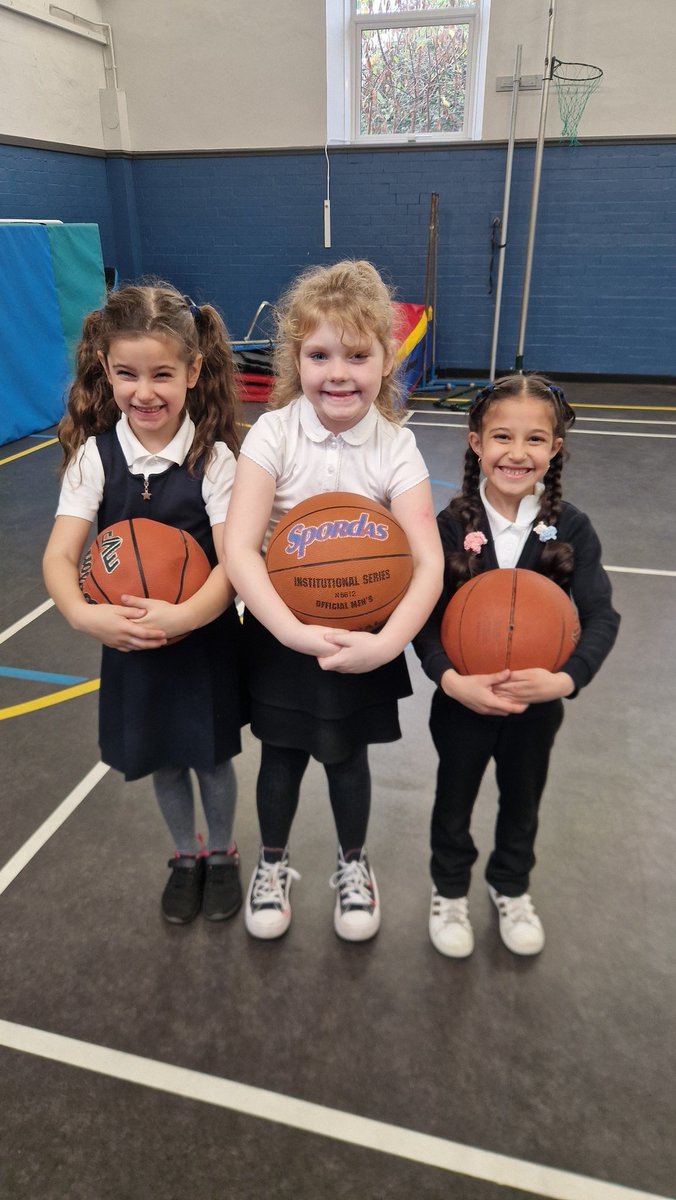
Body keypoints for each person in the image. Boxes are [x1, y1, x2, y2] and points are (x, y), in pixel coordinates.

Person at [224, 259, 443, 943]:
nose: (338, 372)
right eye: (320, 355)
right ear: (296, 360)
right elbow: (238, 548)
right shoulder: (274, 433)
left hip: (363, 631)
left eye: (357, 354)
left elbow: (427, 561)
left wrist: (385, 644)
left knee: (348, 758)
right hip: (280, 629)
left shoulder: (396, 447)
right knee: (281, 756)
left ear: (386, 359)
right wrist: (288, 630)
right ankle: (271, 862)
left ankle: (354, 866)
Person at [43, 283, 248, 926]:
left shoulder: (214, 459)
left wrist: (187, 616)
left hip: (203, 641)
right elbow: (57, 557)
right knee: (162, 760)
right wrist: (84, 614)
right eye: (127, 374)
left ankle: (222, 853)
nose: (145, 392)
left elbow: (234, 563)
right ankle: (184, 856)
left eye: (163, 374)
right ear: (105, 369)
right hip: (130, 641)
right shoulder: (95, 458)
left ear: (193, 371)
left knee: (212, 761)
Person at [414, 374, 620, 958]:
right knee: (453, 798)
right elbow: (424, 621)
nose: (517, 452)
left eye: (535, 439)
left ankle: (511, 886)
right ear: (476, 441)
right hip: (461, 702)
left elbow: (602, 615)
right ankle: (449, 890)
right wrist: (451, 679)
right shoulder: (450, 526)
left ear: (554, 448)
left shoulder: (570, 528)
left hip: (537, 707)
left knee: (522, 800)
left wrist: (564, 678)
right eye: (502, 436)